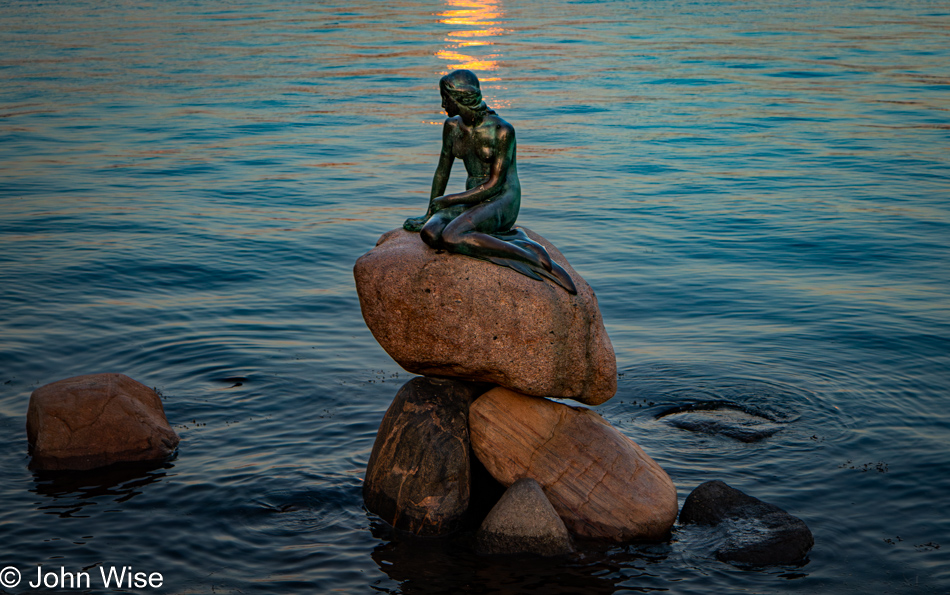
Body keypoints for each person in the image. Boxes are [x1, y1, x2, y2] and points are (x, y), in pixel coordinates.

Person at [404, 69, 576, 294]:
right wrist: (429, 212)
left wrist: (449, 200)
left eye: (446, 98)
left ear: (460, 98)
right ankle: (512, 238)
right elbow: (442, 171)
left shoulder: (501, 130)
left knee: (452, 236)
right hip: (473, 198)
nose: (442, 104)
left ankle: (531, 254)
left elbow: (495, 184)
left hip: (501, 199)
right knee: (430, 233)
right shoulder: (452, 127)